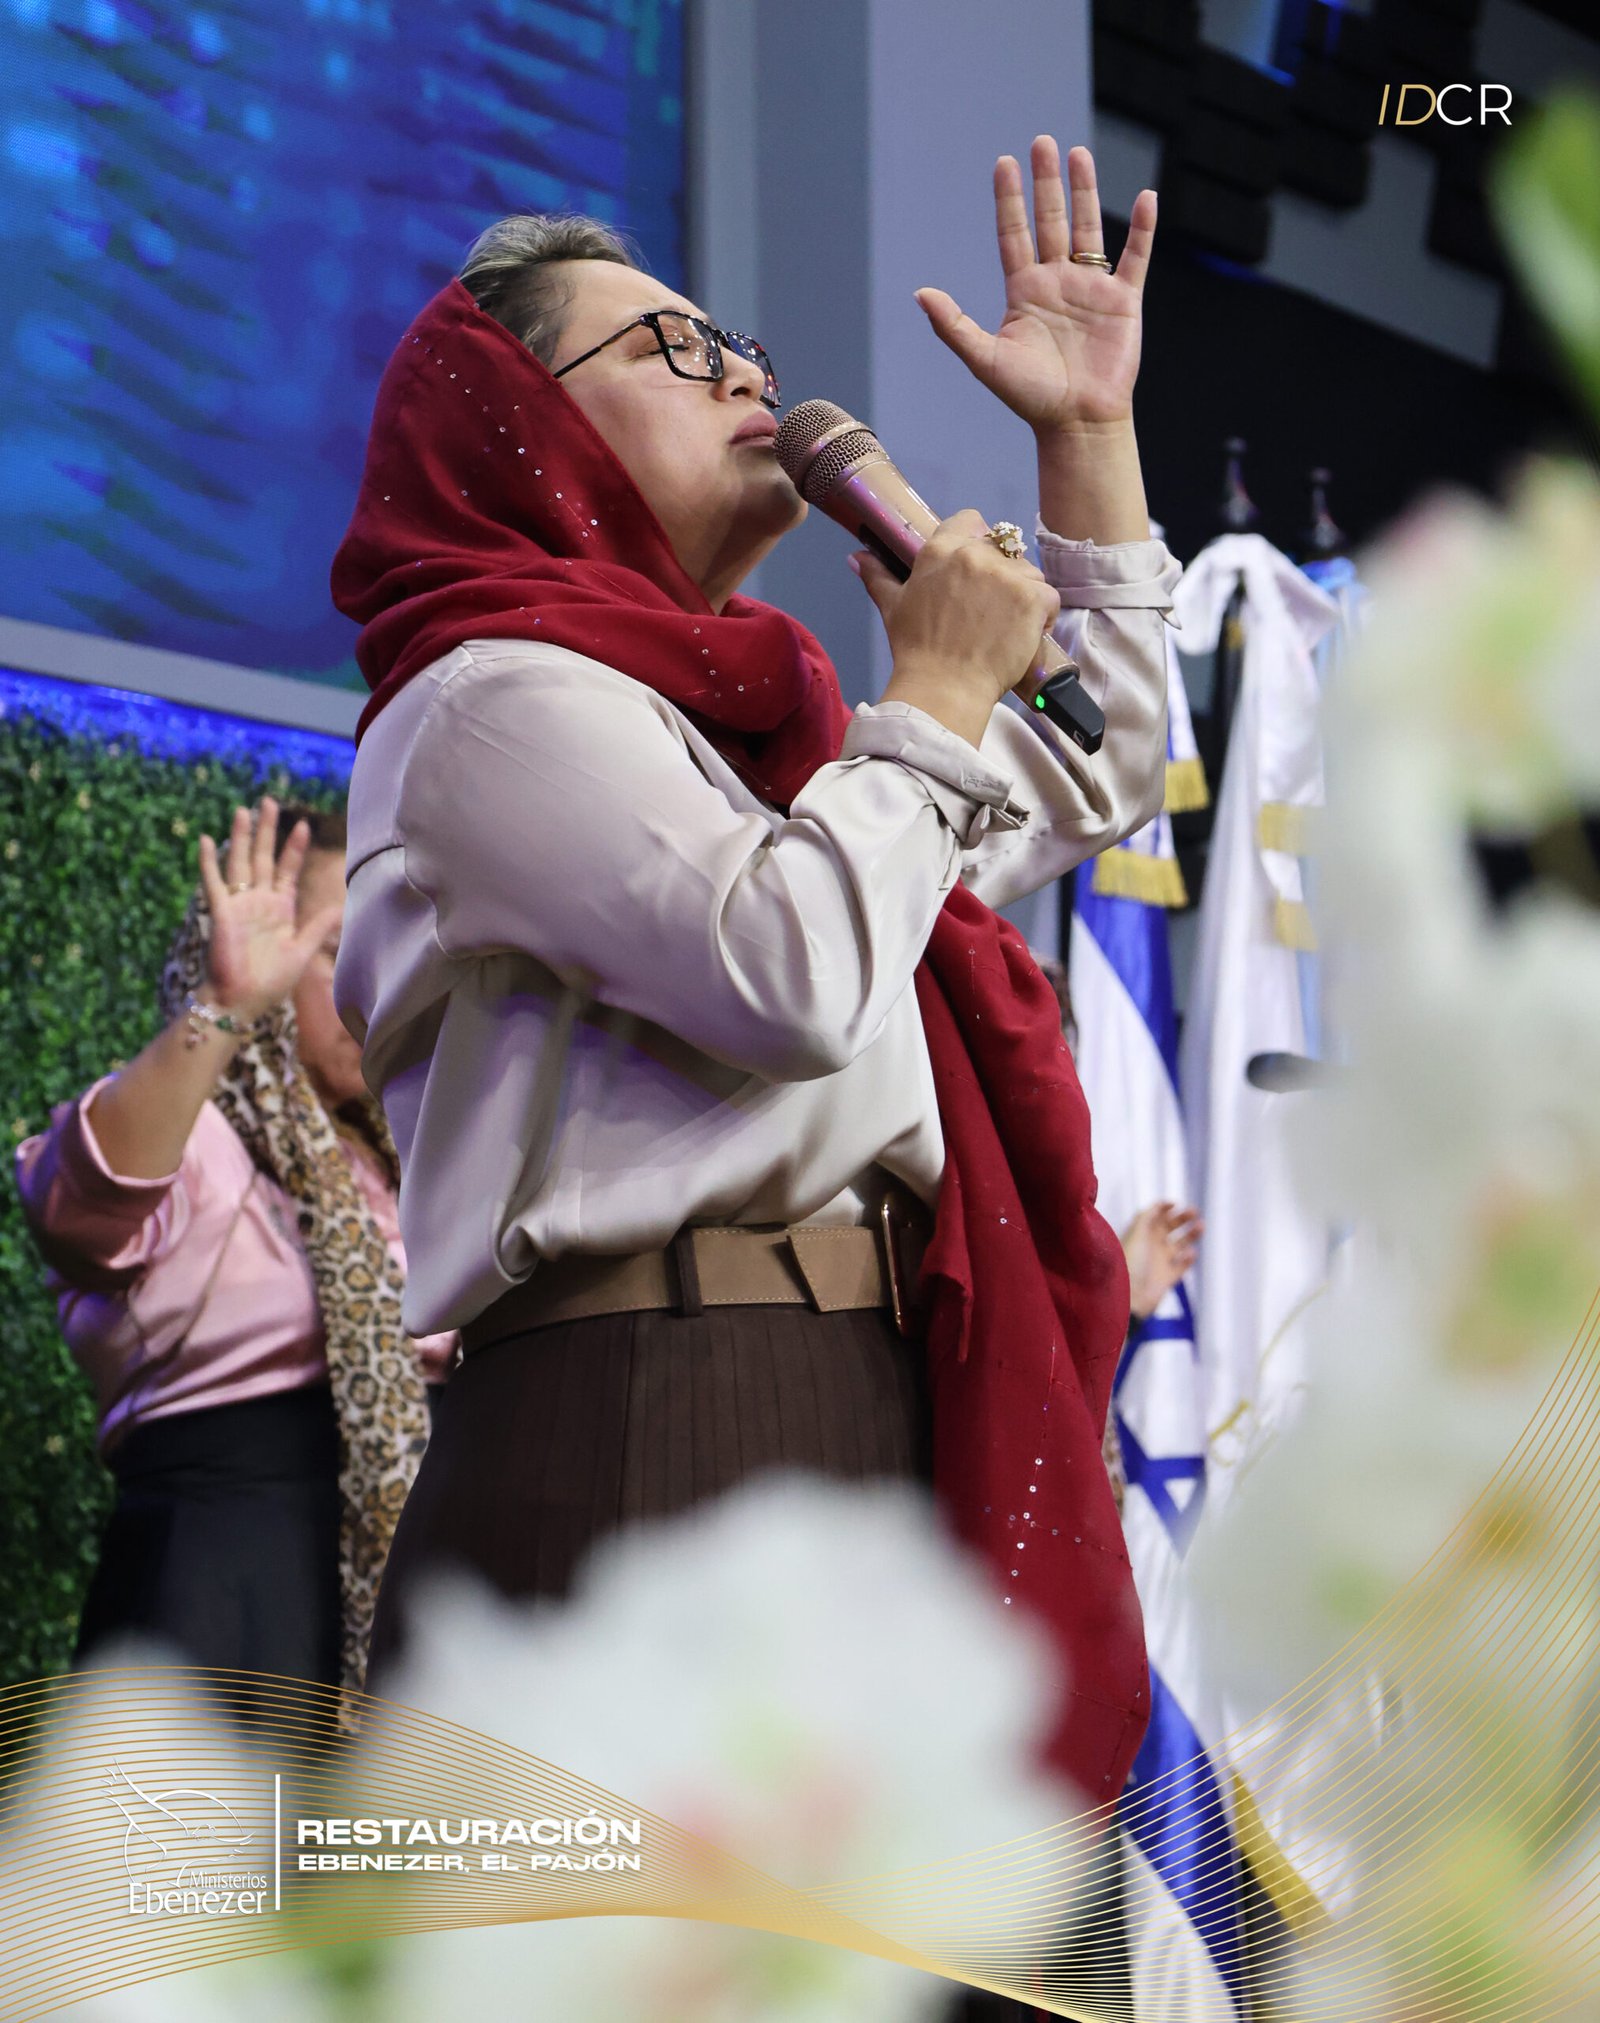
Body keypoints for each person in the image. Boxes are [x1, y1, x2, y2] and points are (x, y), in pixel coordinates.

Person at [332, 135, 1174, 1857]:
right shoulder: (487, 698)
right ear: (520, 419)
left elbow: (1101, 765)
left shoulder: (763, 743)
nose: (745, 378)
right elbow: (790, 971)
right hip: (658, 1395)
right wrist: (932, 693)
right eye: (672, 346)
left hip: (863, 1383)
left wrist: (1085, 438)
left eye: (741, 347)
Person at [16, 799, 453, 1728]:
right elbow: (79, 1205)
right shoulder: (203, 1136)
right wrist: (224, 1004)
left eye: (392, 953)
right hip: (221, 1605)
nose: (372, 988)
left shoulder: (413, 1166)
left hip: (408, 1624)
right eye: (335, 952)